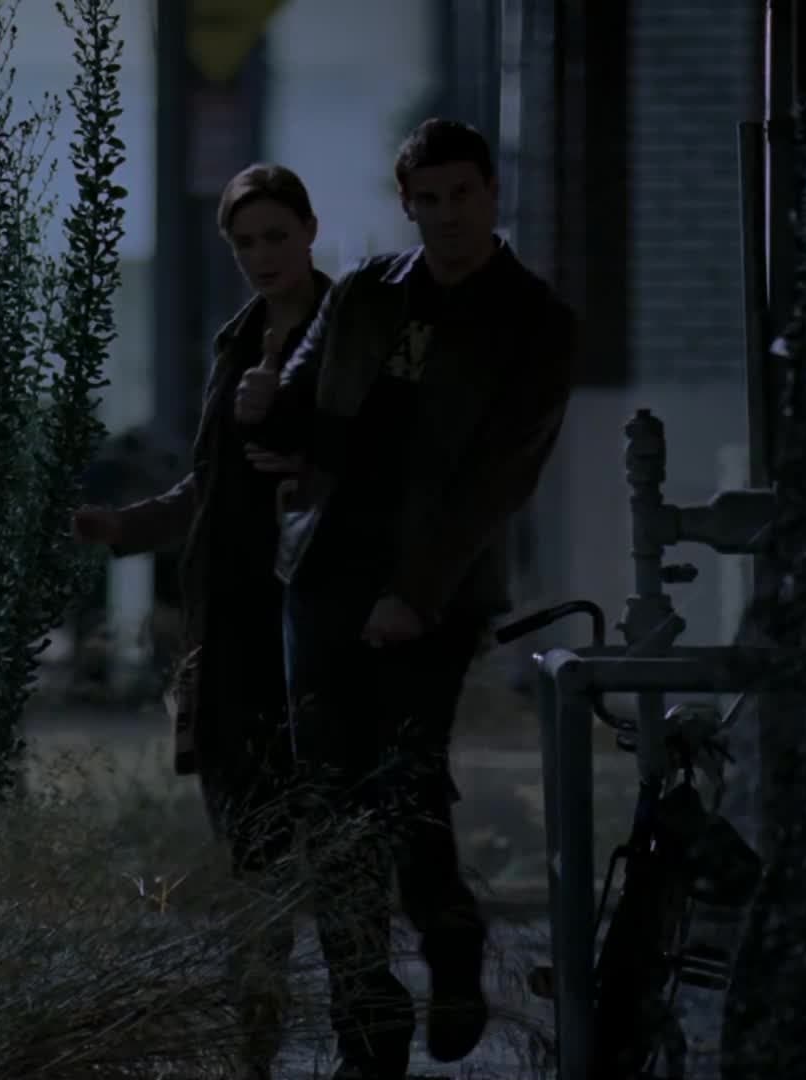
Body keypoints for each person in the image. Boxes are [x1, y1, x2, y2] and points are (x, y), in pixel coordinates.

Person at [235, 118, 577, 1079]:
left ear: (491, 193)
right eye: (429, 199)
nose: (448, 215)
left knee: (405, 784)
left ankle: (450, 937)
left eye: (462, 194)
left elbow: (498, 480)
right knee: (327, 802)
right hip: (325, 569)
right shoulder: (367, 293)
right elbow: (302, 408)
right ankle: (366, 1025)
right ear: (408, 205)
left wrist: (415, 595)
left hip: (437, 586)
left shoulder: (534, 320)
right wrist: (266, 408)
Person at [70, 162, 329, 1080]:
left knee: (325, 837)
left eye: (276, 236)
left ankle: (345, 1029)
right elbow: (213, 484)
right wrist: (127, 527)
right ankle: (256, 1025)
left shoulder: (345, 336)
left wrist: (299, 441)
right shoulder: (240, 338)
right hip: (230, 623)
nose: (263, 256)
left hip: (310, 619)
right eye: (245, 242)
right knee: (247, 841)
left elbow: (372, 462)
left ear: (309, 231)